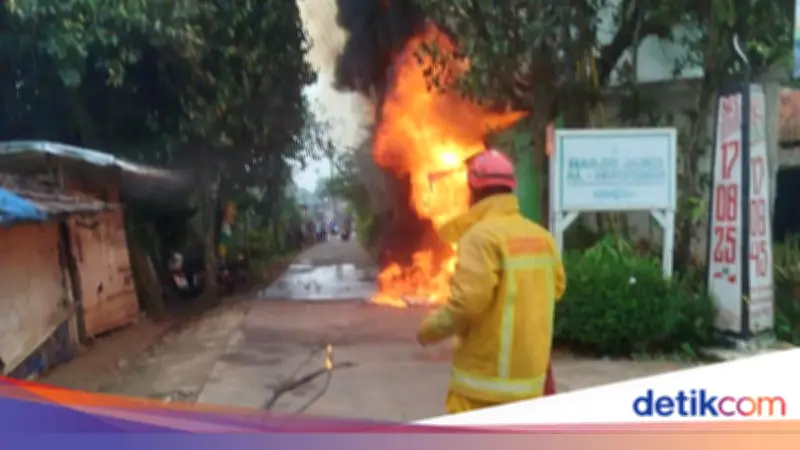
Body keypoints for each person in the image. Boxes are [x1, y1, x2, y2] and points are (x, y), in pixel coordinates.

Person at [416, 148, 566, 414]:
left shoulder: (480, 237)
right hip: (530, 383)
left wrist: (429, 330)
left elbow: (466, 304)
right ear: (511, 189)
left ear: (472, 190)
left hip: (483, 386)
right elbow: (556, 289)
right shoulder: (542, 238)